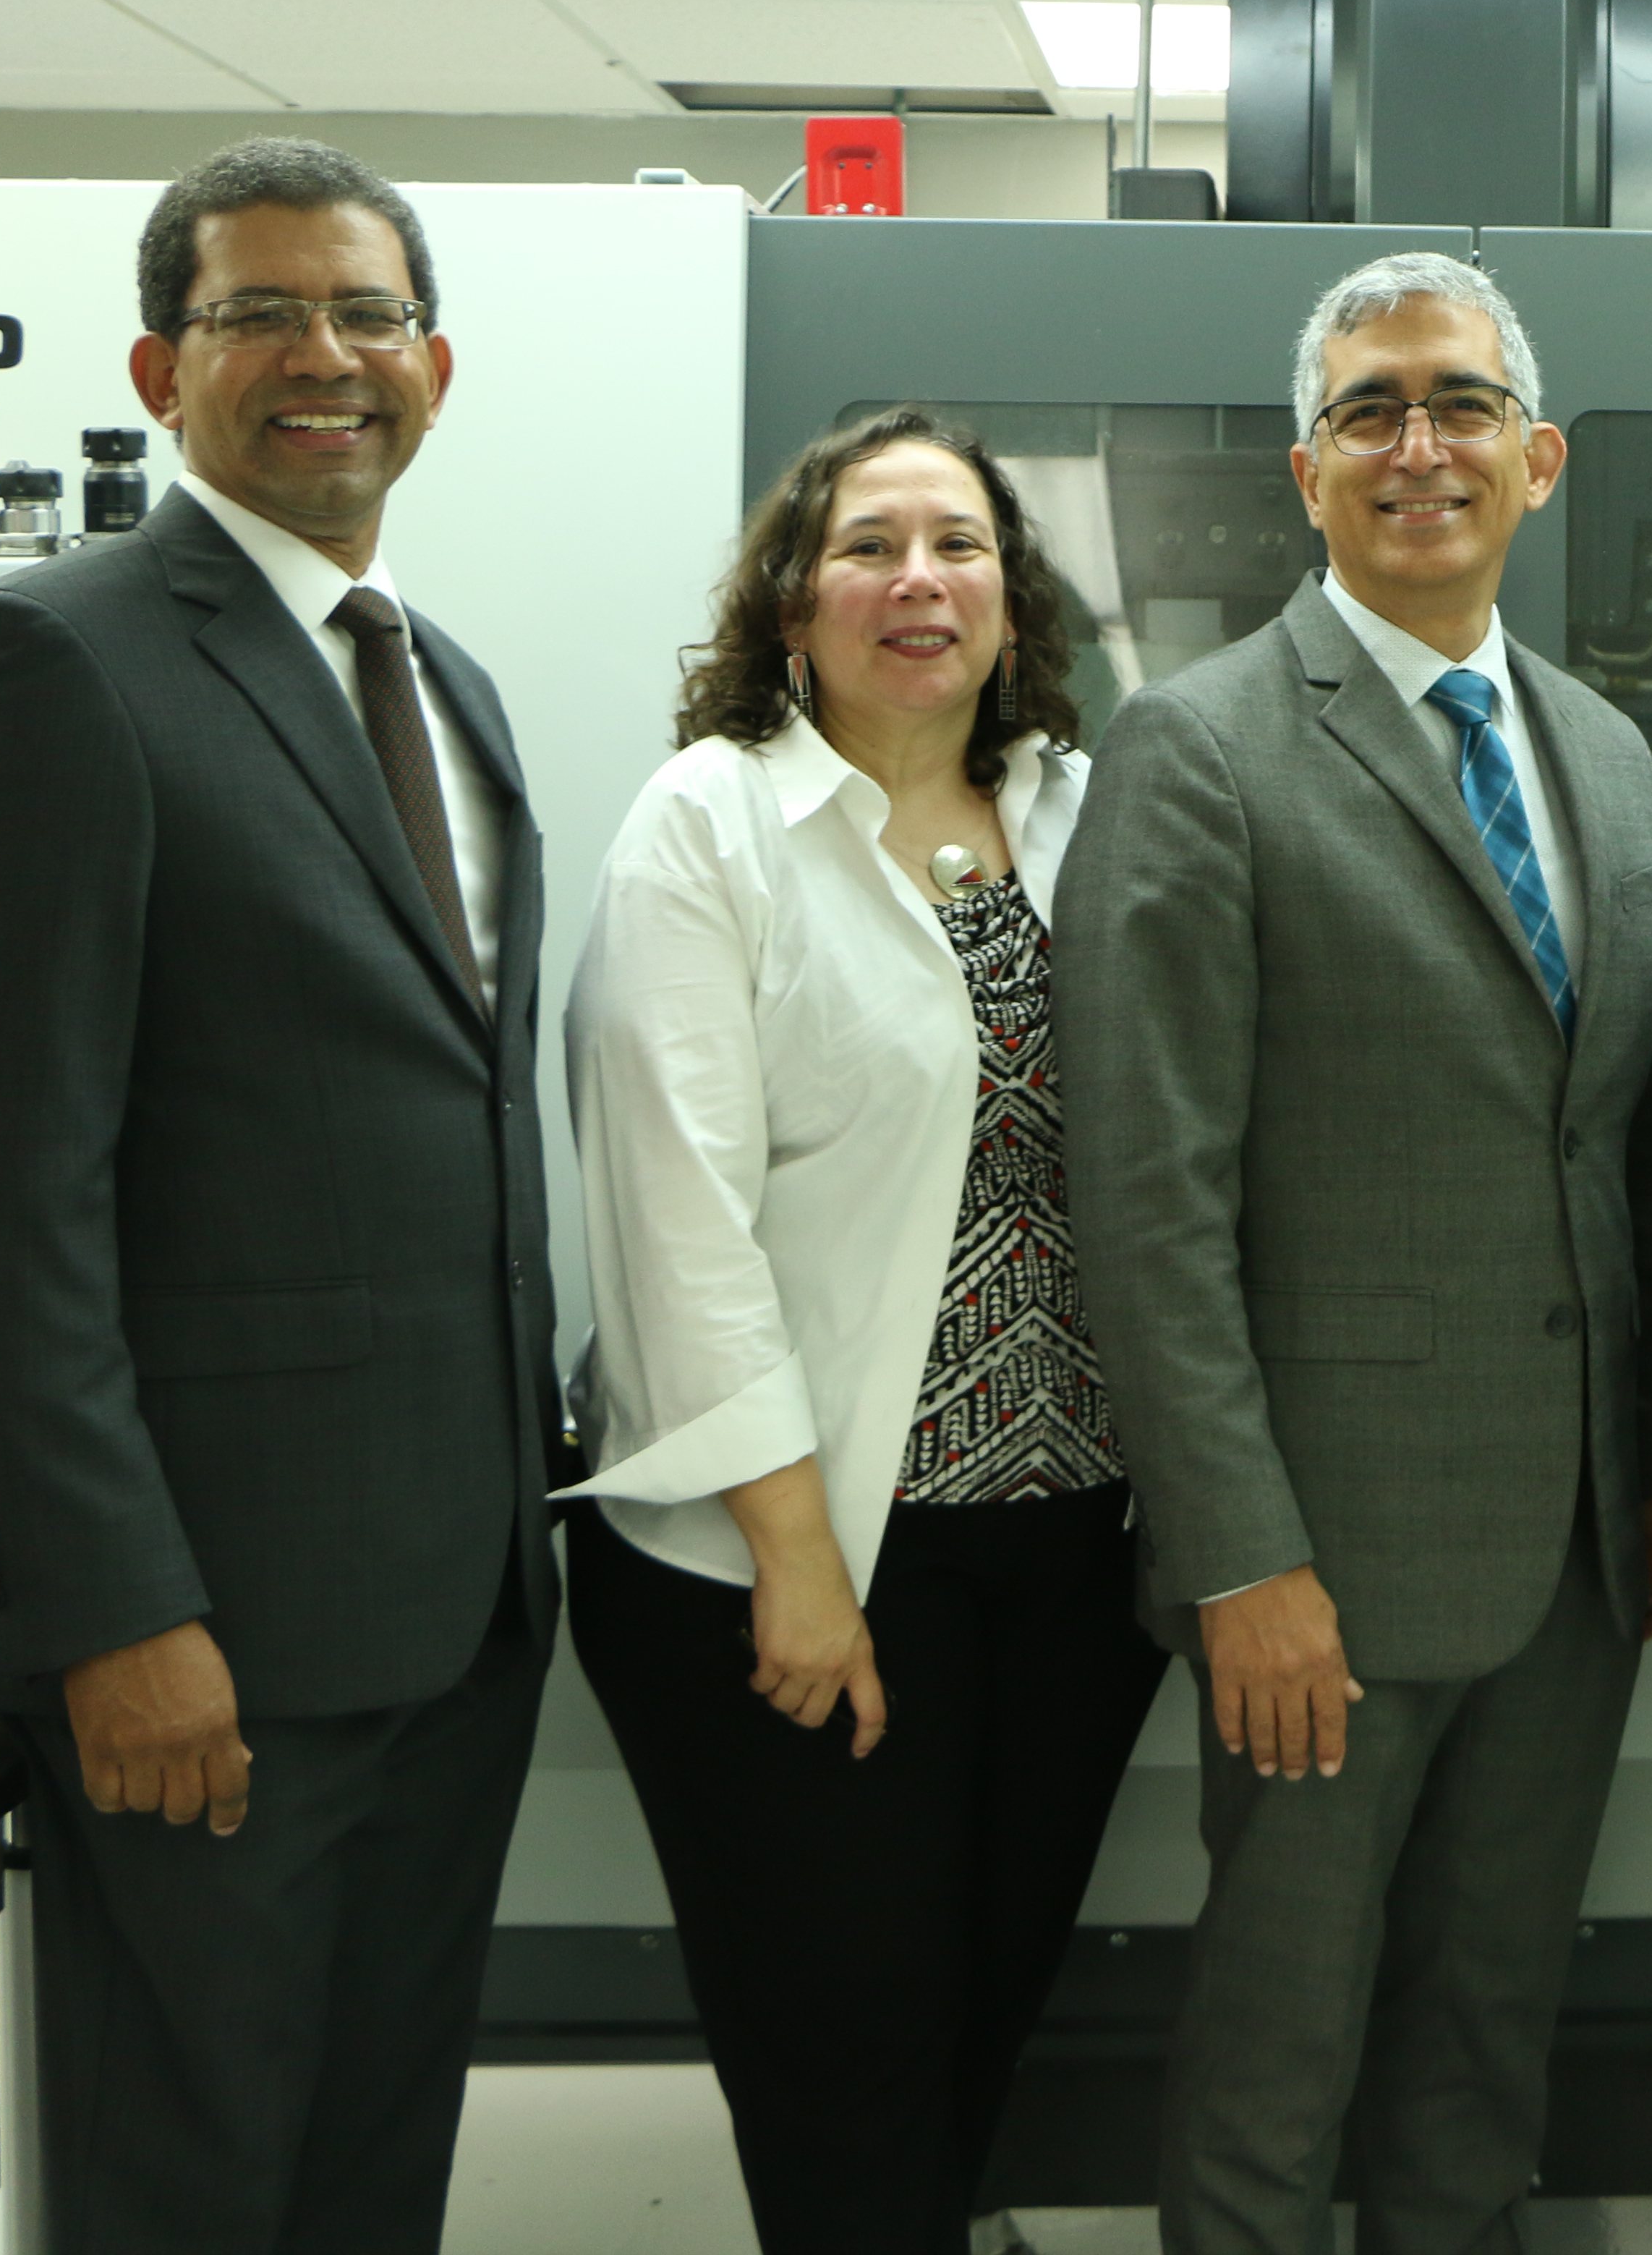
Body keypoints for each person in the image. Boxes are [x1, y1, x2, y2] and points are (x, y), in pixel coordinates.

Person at [0, 136, 553, 2254]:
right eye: (260, 314)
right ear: (165, 368)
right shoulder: (48, 665)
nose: (320, 356)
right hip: (207, 1636)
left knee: (368, 2173)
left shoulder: (444, 686)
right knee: (187, 2190)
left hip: (446, 1616)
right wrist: (121, 1615)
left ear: (436, 366)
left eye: (361, 315)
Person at [1052, 250, 1652, 2255]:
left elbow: (1637, 1146)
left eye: (1454, 405)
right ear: (1308, 467)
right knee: (1281, 2048)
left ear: (1540, 458)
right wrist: (1242, 1558)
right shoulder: (1204, 746)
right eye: (1370, 412)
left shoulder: (1602, 750)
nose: (1417, 446)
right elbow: (1146, 1195)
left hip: (1577, 1551)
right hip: (1322, 1564)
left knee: (1484, 2039)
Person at [558, 406, 1162, 2254]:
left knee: (981, 2018)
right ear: (793, 599)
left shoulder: (1082, 806)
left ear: (1011, 591)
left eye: (961, 545)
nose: (921, 581)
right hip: (798, 1556)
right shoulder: (714, 824)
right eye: (871, 546)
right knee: (842, 2053)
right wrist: (798, 1563)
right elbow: (678, 1226)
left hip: (1064, 1557)